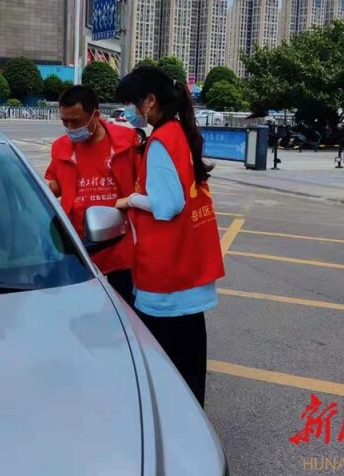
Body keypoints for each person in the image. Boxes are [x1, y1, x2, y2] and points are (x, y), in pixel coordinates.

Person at [114, 66, 225, 408]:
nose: (131, 111)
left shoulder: (161, 141)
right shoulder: (178, 132)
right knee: (189, 369)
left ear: (150, 100)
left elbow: (167, 206)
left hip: (166, 280)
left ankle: (177, 431)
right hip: (186, 275)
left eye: (133, 102)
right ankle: (192, 427)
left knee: (169, 375)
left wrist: (130, 200)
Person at [45, 85, 140, 305]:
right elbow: (55, 185)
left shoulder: (127, 142)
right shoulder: (61, 147)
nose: (70, 128)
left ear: (95, 115)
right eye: (64, 122)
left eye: (75, 122)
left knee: (124, 312)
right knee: (84, 312)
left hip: (120, 248)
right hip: (80, 249)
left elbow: (143, 185)